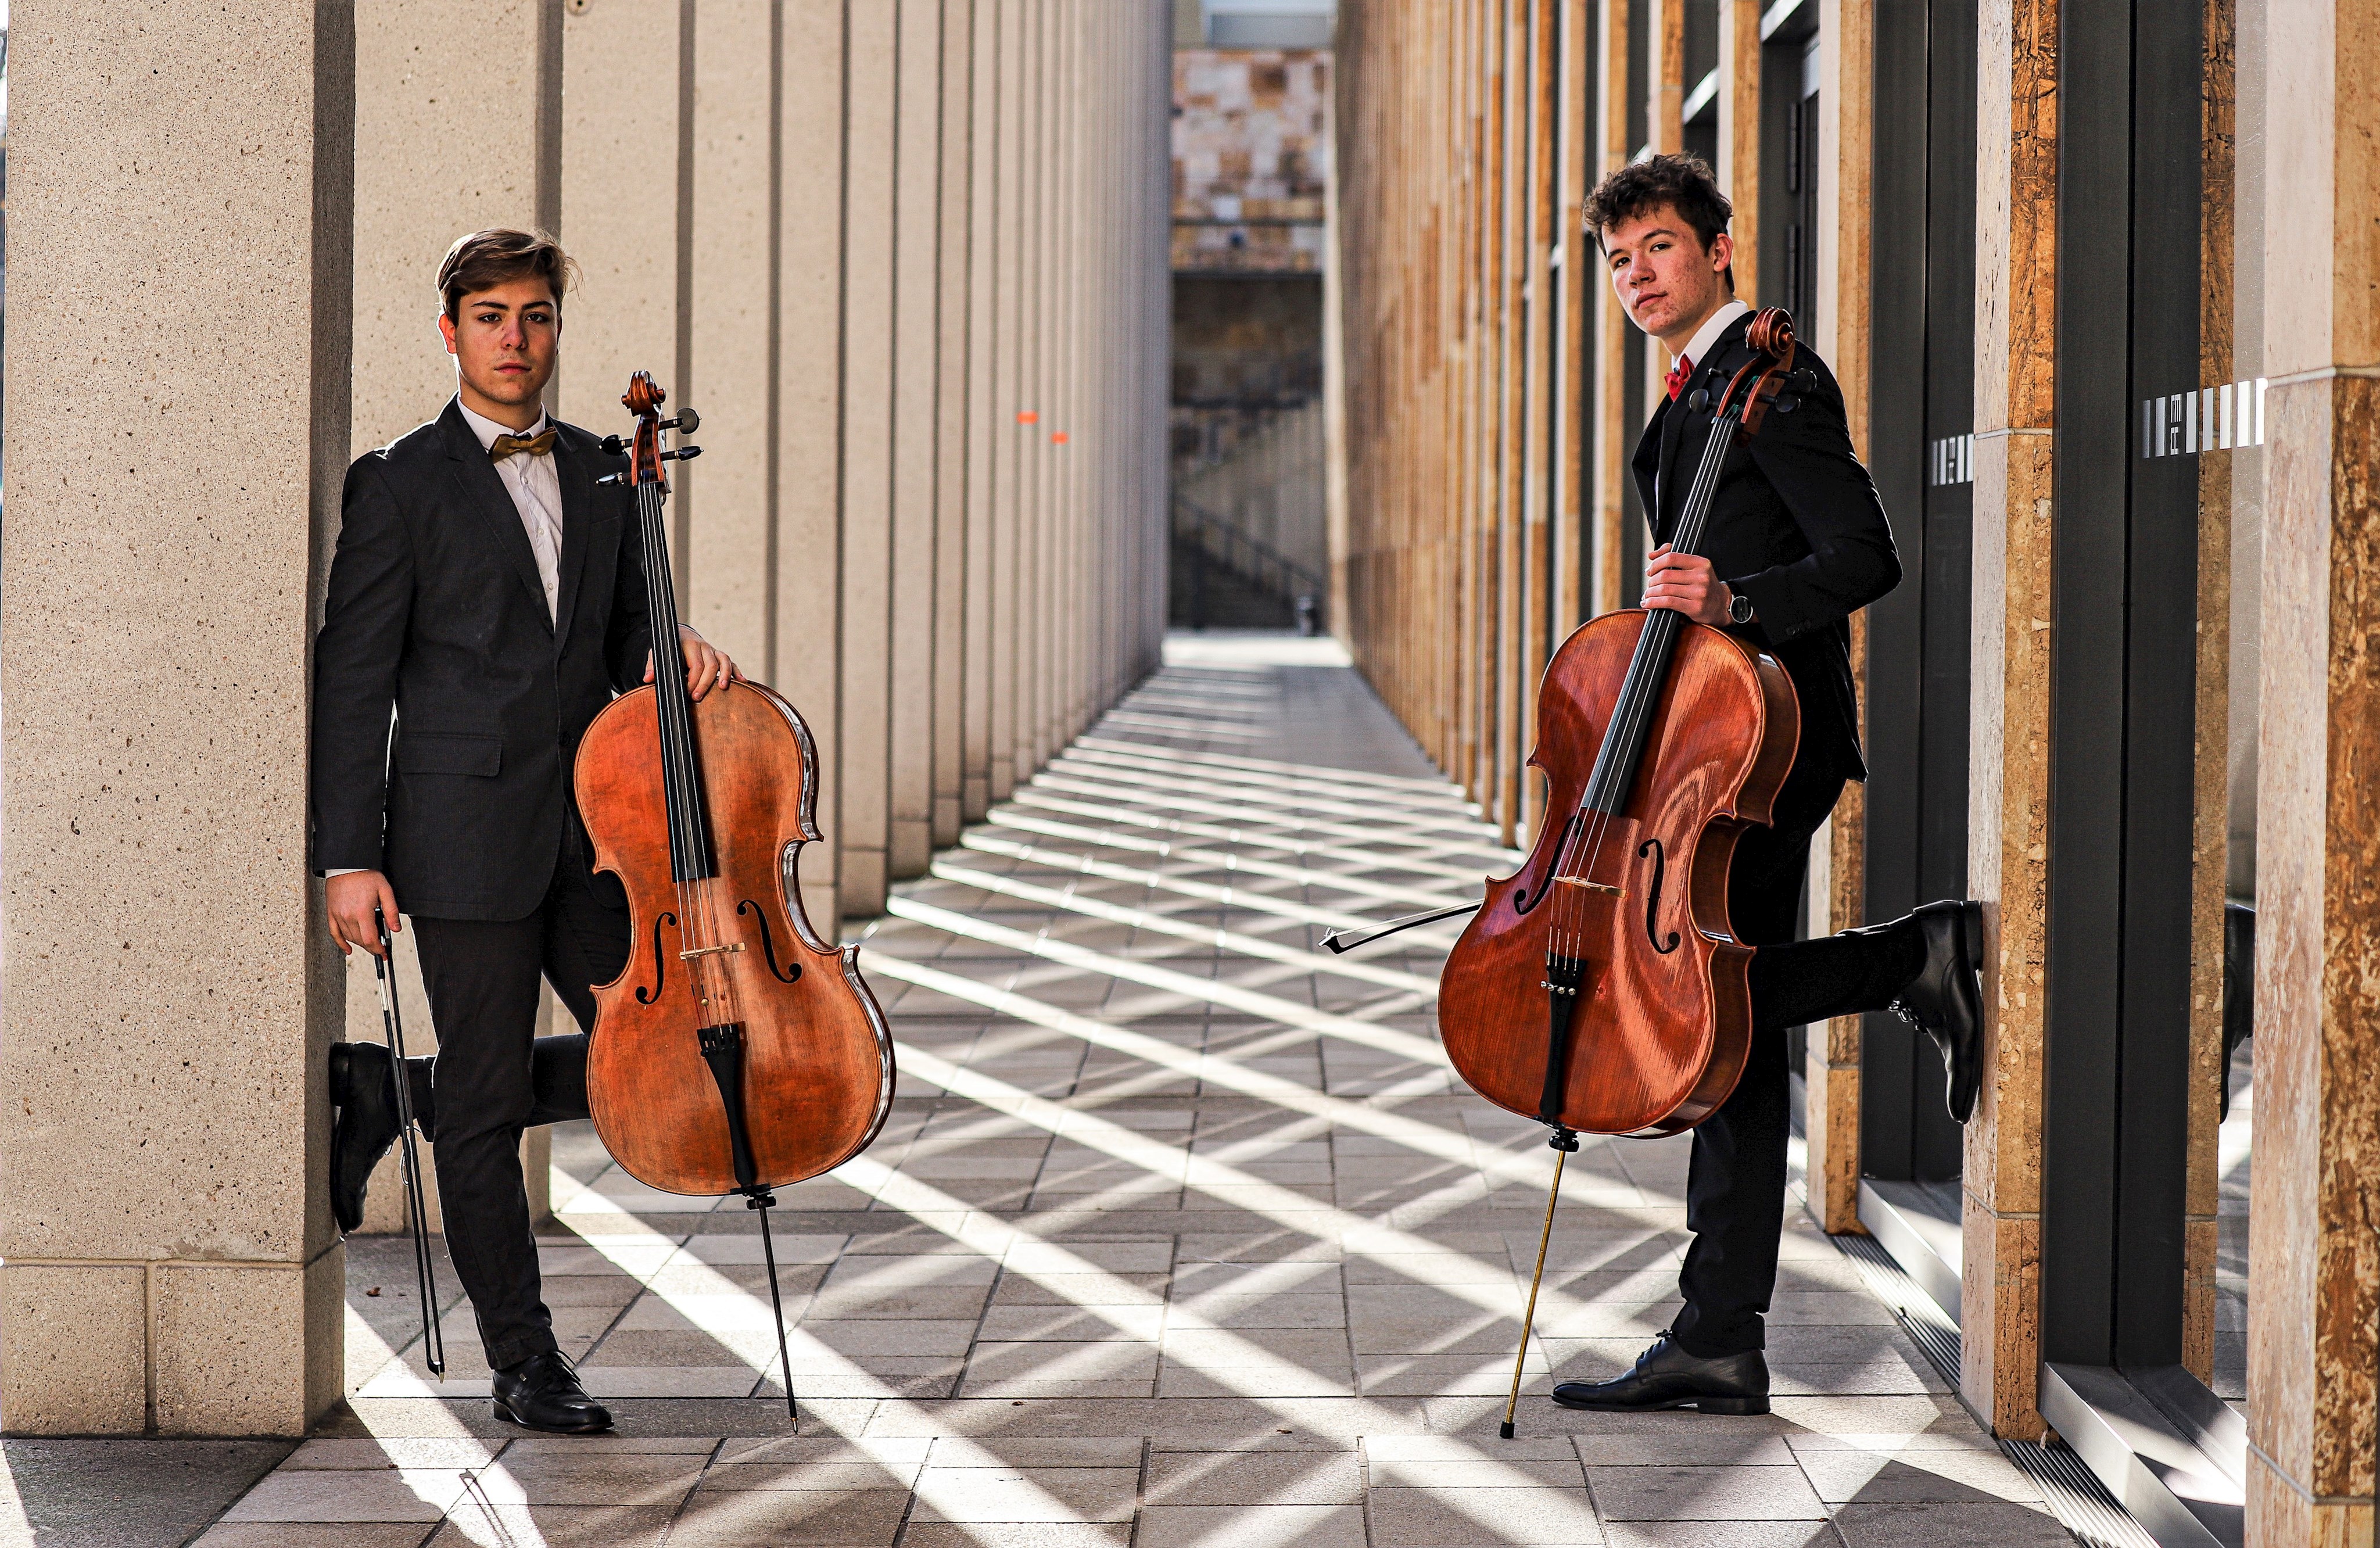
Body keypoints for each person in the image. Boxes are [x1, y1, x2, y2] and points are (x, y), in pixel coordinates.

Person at [1546, 155, 1983, 1419]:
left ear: (1720, 252)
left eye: (1661, 250)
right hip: (1708, 753)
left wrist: (1735, 602)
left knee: (1709, 1000)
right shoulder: (1702, 391)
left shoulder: (1775, 388)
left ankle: (1910, 962)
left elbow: (1863, 555)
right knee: (1717, 1022)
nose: (1638, 276)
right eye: (1619, 260)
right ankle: (1717, 1335)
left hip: (1762, 745)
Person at [312, 228, 742, 1435]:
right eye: (492, 315)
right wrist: (351, 853)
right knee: (492, 1107)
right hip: (456, 837)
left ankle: (402, 1095)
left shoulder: (611, 468)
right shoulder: (397, 481)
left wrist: (667, 646)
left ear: (556, 329)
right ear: (451, 331)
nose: (517, 336)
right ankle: (525, 1358)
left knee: (674, 1062)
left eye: (536, 315)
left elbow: (615, 640)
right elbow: (355, 678)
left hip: (599, 837)